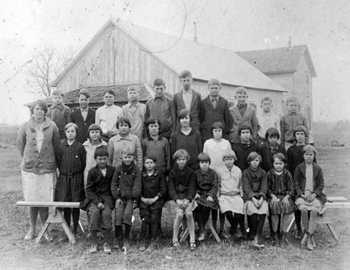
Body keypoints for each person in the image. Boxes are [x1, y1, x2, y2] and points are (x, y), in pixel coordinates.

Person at [16, 101, 60, 240]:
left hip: (47, 168)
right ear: (32, 111)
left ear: (45, 111)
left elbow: (57, 146)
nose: (39, 112)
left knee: (44, 200)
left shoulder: (52, 126)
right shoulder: (25, 126)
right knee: (32, 199)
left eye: (42, 109)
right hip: (30, 169)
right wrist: (27, 159)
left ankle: (45, 229)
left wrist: (56, 166)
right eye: (36, 109)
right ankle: (32, 228)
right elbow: (20, 144)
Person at [55, 122, 86, 236]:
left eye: (73, 131)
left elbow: (83, 163)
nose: (70, 133)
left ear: (76, 133)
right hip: (64, 179)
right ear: (65, 133)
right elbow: (58, 161)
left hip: (76, 178)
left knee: (75, 203)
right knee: (66, 203)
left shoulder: (80, 147)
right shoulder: (61, 146)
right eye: (68, 131)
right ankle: (67, 227)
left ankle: (75, 228)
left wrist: (76, 173)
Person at [294, 145, 326, 250]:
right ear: (303, 156)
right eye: (306, 154)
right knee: (303, 209)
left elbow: (321, 184)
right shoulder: (299, 168)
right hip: (302, 196)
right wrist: (301, 194)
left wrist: (314, 194)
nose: (308, 157)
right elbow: (296, 184)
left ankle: (308, 236)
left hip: (314, 195)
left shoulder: (317, 168)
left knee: (313, 211)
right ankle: (308, 235)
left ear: (314, 156)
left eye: (311, 155)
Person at [85, 146, 115, 254]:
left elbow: (114, 187)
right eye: (99, 159)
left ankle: (107, 242)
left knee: (106, 215)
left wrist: (110, 201)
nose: (102, 161)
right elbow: (89, 190)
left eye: (104, 159)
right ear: (95, 159)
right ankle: (94, 242)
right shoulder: (92, 172)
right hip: (95, 198)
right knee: (94, 214)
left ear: (107, 158)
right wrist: (97, 202)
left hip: (108, 198)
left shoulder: (112, 170)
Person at [111, 151, 141, 252]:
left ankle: (126, 238)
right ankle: (117, 238)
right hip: (120, 198)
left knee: (127, 215)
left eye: (129, 157)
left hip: (130, 198)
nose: (127, 159)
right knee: (118, 216)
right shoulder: (118, 169)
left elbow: (137, 185)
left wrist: (133, 197)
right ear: (122, 158)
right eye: (125, 157)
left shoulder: (136, 169)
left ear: (133, 158)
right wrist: (117, 196)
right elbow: (114, 184)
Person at [168, 149, 197, 250]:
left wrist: (188, 199)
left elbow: (192, 187)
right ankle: (175, 239)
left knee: (189, 214)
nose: (181, 161)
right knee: (180, 214)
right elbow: (171, 188)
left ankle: (192, 239)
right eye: (179, 160)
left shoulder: (191, 173)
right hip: (177, 199)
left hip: (188, 198)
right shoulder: (172, 173)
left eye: (184, 159)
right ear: (176, 161)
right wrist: (177, 199)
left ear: (187, 160)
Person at [139, 156, 167, 251]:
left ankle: (154, 240)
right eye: (147, 163)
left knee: (154, 217)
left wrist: (155, 198)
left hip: (156, 200)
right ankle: (143, 239)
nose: (149, 165)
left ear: (155, 164)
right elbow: (138, 188)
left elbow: (163, 189)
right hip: (144, 200)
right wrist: (142, 198)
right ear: (144, 164)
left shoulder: (159, 174)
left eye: (151, 162)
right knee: (145, 217)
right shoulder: (141, 175)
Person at [216, 150, 246, 240]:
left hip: (235, 194)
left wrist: (241, 195)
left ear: (234, 159)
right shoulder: (220, 171)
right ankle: (234, 227)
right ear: (223, 160)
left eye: (231, 159)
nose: (229, 161)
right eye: (226, 159)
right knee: (226, 210)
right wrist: (218, 196)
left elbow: (240, 184)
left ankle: (241, 230)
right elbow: (218, 185)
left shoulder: (238, 170)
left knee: (239, 210)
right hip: (224, 195)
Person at [266, 153, 294, 246]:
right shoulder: (269, 173)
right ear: (273, 164)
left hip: (285, 196)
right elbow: (267, 188)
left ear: (284, 164)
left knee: (287, 206)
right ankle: (275, 233)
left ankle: (284, 233)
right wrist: (272, 196)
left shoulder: (287, 173)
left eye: (280, 163)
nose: (278, 166)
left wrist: (287, 196)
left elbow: (291, 188)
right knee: (274, 206)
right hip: (274, 196)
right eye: (276, 163)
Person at [286, 125, 309, 240]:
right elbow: (289, 167)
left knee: (307, 203)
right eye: (298, 134)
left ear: (305, 136)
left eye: (302, 134)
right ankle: (298, 228)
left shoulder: (309, 149)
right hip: (295, 181)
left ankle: (308, 228)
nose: (300, 136)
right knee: (297, 205)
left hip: (307, 181)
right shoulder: (291, 150)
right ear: (294, 136)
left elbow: (314, 167)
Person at [242, 152, 268, 248]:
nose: (255, 163)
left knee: (262, 209)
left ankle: (258, 234)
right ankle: (252, 232)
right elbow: (246, 187)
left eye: (257, 160)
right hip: (250, 197)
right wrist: (252, 198)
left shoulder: (263, 173)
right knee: (252, 210)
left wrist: (261, 198)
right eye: (252, 161)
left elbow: (264, 187)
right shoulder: (245, 173)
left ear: (259, 161)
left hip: (260, 197)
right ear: (249, 162)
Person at [193, 153, 219, 241]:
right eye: (202, 162)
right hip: (199, 195)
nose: (204, 164)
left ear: (209, 163)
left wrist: (211, 195)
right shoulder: (195, 173)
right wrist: (196, 193)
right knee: (197, 206)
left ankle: (202, 229)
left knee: (206, 207)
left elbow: (215, 186)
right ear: (199, 164)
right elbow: (193, 185)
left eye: (206, 162)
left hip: (209, 196)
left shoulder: (213, 173)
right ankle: (201, 229)